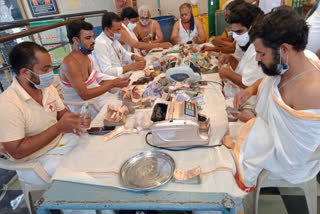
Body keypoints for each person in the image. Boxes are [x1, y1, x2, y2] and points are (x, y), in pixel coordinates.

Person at [226, 6, 320, 192]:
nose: (257, 59)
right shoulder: (294, 61)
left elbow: (295, 154)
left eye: (261, 53)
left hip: (287, 165)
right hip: (265, 133)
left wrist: (253, 123)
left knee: (221, 168)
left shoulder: (310, 91)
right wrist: (251, 90)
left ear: (284, 49)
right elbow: (270, 80)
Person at [0, 41, 91, 185]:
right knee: (78, 179)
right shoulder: (7, 104)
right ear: (25, 73)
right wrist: (58, 128)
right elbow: (16, 151)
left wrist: (77, 120)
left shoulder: (46, 89)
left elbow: (62, 114)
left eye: (50, 67)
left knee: (96, 152)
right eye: (45, 69)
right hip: (34, 162)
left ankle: (107, 205)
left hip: (59, 143)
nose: (50, 73)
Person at [59, 20, 130, 118]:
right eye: (88, 38)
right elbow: (85, 95)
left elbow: (96, 76)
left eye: (92, 36)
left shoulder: (87, 55)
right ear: (76, 40)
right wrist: (112, 84)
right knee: (123, 111)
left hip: (99, 99)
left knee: (129, 101)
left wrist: (116, 80)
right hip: (85, 108)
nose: (93, 40)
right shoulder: (70, 64)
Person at [218, 2, 265, 115]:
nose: (235, 36)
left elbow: (249, 83)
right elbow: (244, 69)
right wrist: (231, 59)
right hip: (239, 98)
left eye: (239, 31)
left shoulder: (259, 50)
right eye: (233, 32)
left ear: (253, 28)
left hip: (248, 103)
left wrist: (227, 74)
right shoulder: (249, 44)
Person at [93, 12, 146, 78]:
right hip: (111, 81)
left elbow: (123, 53)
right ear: (107, 29)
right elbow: (107, 71)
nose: (120, 32)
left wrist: (134, 56)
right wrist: (131, 67)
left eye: (120, 29)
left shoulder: (113, 39)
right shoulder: (100, 44)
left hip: (120, 76)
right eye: (117, 30)